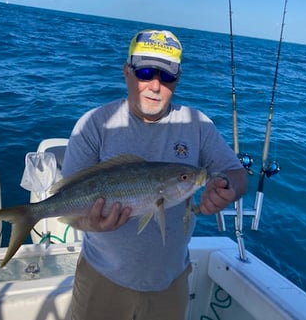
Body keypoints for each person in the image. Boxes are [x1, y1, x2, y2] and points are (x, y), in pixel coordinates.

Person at [61, 29, 248, 320]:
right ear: (126, 72)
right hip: (102, 278)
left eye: (167, 76)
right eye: (145, 72)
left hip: (169, 284)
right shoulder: (94, 125)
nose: (155, 86)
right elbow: (69, 204)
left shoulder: (198, 125)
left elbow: (237, 174)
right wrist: (93, 223)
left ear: (178, 79)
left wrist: (226, 188)